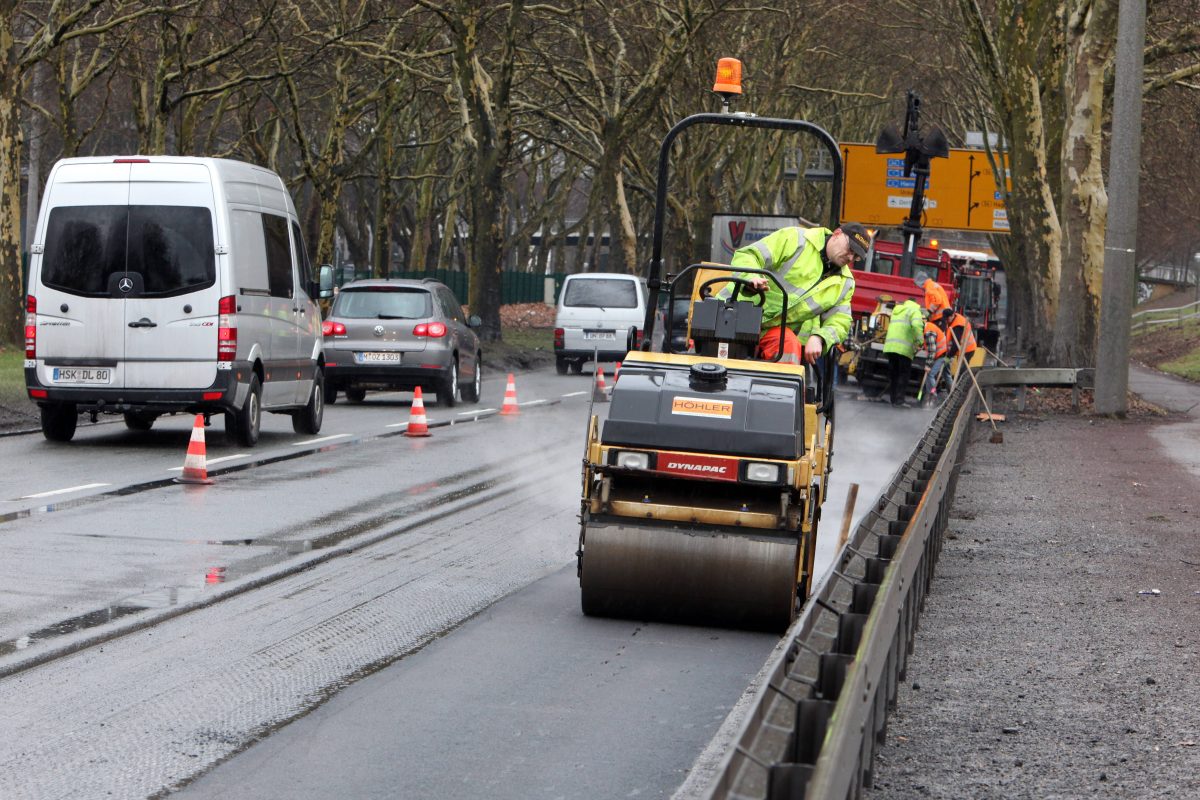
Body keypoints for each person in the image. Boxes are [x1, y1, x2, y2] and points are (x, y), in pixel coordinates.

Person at [728, 222, 869, 365]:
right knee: (714, 349)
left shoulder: (845, 283)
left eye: (856, 256)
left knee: (788, 346)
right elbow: (750, 254)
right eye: (850, 249)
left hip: (772, 330)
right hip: (732, 314)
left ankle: (778, 387)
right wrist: (749, 277)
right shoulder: (796, 239)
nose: (850, 258)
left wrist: (819, 337)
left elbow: (840, 320)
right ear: (837, 234)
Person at [882, 298, 924, 406]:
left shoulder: (897, 310)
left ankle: (893, 399)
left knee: (894, 374)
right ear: (916, 304)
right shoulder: (915, 311)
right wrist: (920, 341)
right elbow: (916, 326)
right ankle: (900, 400)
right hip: (903, 349)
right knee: (903, 374)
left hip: (890, 347)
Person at [922, 311, 948, 402]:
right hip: (940, 353)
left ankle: (933, 395)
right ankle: (929, 395)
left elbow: (932, 350)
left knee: (931, 374)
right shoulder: (928, 326)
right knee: (930, 375)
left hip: (942, 354)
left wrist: (928, 365)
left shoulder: (929, 331)